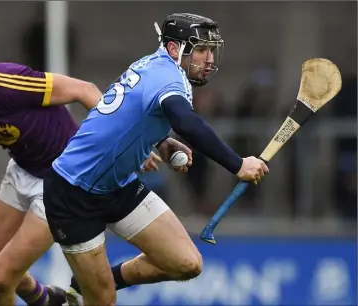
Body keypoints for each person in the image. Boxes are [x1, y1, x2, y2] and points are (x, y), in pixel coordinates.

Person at [0, 25, 162, 306]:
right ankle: (45, 299)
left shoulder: (2, 81)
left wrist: (125, 135)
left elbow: (83, 90)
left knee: (0, 278)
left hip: (62, 179)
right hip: (22, 169)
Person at [42, 13, 270, 305]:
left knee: (187, 263)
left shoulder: (155, 66)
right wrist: (238, 165)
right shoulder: (167, 76)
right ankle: (92, 288)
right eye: (201, 49)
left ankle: (92, 283)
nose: (209, 58)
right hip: (73, 193)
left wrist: (160, 141)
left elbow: (126, 114)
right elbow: (188, 123)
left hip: (118, 186)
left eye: (210, 50)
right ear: (175, 49)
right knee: (103, 300)